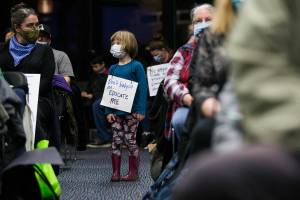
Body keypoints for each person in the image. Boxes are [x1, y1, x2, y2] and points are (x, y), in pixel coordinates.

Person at [0, 3, 56, 146]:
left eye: (36, 24)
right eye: (30, 25)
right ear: (17, 27)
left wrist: (25, 95)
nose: (35, 29)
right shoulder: (2, 50)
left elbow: (46, 79)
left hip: (39, 99)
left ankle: (38, 157)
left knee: (30, 113)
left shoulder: (44, 51)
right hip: (7, 98)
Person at [163, 4, 214, 141]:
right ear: (192, 26)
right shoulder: (184, 51)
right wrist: (187, 98)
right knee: (180, 121)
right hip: (188, 105)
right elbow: (169, 81)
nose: (203, 24)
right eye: (198, 21)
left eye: (208, 19)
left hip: (218, 104)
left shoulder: (227, 48)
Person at [105, 30, 147, 182]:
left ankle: (133, 172)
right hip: (116, 112)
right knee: (116, 141)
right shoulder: (113, 69)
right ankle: (115, 172)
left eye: (119, 42)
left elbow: (143, 88)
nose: (115, 46)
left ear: (128, 45)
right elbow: (109, 90)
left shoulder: (137, 66)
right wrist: (108, 110)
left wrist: (141, 110)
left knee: (130, 141)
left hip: (132, 113)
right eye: (113, 43)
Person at [83, 56, 111, 148]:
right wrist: (86, 93)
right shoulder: (93, 76)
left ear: (103, 64)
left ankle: (104, 137)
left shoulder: (111, 75)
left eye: (96, 66)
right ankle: (83, 137)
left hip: (109, 100)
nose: (94, 69)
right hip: (96, 100)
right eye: (93, 67)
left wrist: (92, 96)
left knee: (96, 105)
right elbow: (89, 88)